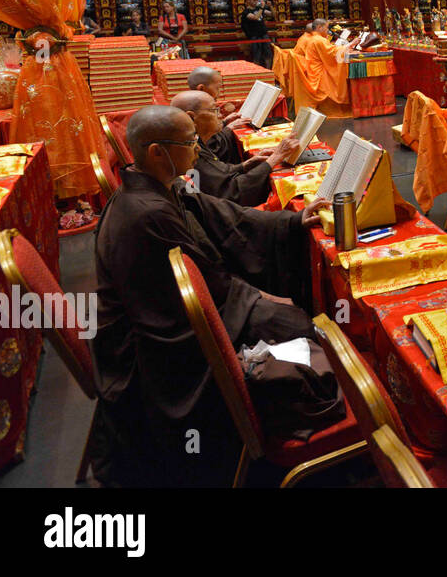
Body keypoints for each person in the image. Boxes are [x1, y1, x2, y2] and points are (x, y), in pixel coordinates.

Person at [90, 105, 328, 486]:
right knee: (302, 326)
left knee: (289, 316)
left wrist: (292, 220)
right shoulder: (145, 213)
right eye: (189, 143)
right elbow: (205, 295)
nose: (199, 149)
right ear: (156, 152)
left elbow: (222, 214)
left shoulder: (155, 185)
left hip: (191, 310)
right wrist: (264, 298)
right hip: (153, 356)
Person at [171, 90, 300, 207]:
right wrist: (274, 159)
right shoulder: (188, 151)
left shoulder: (194, 142)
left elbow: (218, 171)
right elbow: (232, 192)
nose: (221, 115)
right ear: (192, 117)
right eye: (214, 110)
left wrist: (246, 165)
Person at [273, 17, 351, 116]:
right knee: (336, 74)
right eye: (326, 28)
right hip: (314, 73)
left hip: (309, 68)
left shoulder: (311, 38)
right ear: (319, 27)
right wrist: (349, 46)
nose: (328, 31)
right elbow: (331, 53)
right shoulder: (318, 40)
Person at [188, 65, 247, 163]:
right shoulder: (196, 110)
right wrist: (228, 129)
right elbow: (211, 145)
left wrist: (224, 122)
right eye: (217, 88)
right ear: (201, 88)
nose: (218, 94)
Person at [240, 0, 275, 69]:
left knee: (268, 54)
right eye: (254, 0)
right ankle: (258, 71)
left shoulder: (259, 9)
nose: (256, 2)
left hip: (264, 34)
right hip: (254, 36)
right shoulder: (246, 12)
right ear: (248, 1)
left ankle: (268, 70)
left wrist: (270, 6)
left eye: (257, 0)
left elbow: (273, 15)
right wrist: (262, 7)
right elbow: (255, 17)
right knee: (257, 55)